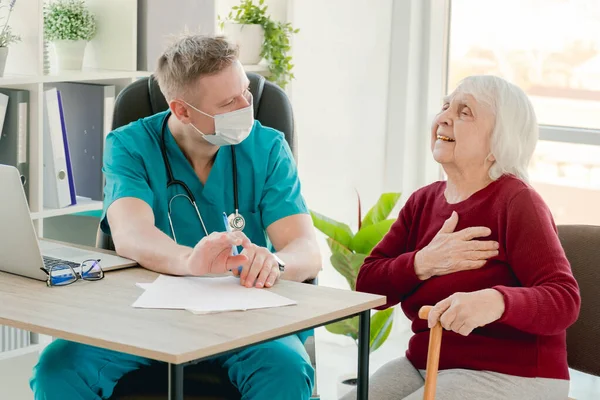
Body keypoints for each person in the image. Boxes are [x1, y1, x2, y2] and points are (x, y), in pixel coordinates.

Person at [29, 34, 322, 400]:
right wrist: (189, 261)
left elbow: (306, 249)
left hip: (243, 316)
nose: (246, 105)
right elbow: (131, 233)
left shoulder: (267, 147)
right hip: (145, 314)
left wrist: (274, 263)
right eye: (229, 101)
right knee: (59, 366)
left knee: (285, 370)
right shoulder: (130, 145)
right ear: (182, 110)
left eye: (245, 91)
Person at [342, 75, 581, 400]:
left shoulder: (517, 201)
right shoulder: (423, 201)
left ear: (499, 142)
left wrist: (496, 302)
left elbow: (564, 300)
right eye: (444, 106)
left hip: (513, 374)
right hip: (426, 363)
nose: (442, 117)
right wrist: (424, 262)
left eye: (464, 111)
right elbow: (367, 286)